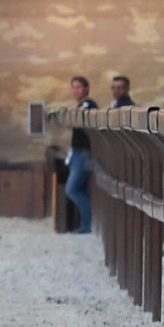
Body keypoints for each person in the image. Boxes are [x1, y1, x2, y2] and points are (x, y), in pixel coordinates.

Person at [64, 76, 98, 234]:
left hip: (83, 153)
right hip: (77, 152)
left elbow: (78, 117)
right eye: (74, 87)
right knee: (80, 189)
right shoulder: (81, 106)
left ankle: (88, 223)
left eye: (79, 87)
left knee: (72, 189)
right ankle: (87, 223)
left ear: (86, 88)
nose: (76, 90)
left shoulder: (88, 105)